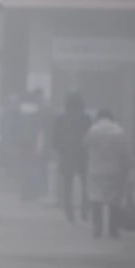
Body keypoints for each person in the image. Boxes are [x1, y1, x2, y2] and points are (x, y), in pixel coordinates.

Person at [85, 109, 132, 239]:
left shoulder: (93, 130)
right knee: (114, 201)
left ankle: (97, 228)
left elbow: (84, 145)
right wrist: (128, 167)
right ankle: (113, 229)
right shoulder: (118, 131)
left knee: (96, 199)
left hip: (95, 169)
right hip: (114, 170)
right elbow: (125, 153)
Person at [53, 92, 92, 222]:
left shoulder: (60, 119)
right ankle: (85, 210)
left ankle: (69, 212)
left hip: (66, 155)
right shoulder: (86, 119)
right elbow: (90, 137)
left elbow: (55, 138)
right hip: (83, 155)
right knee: (86, 184)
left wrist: (60, 150)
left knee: (67, 186)